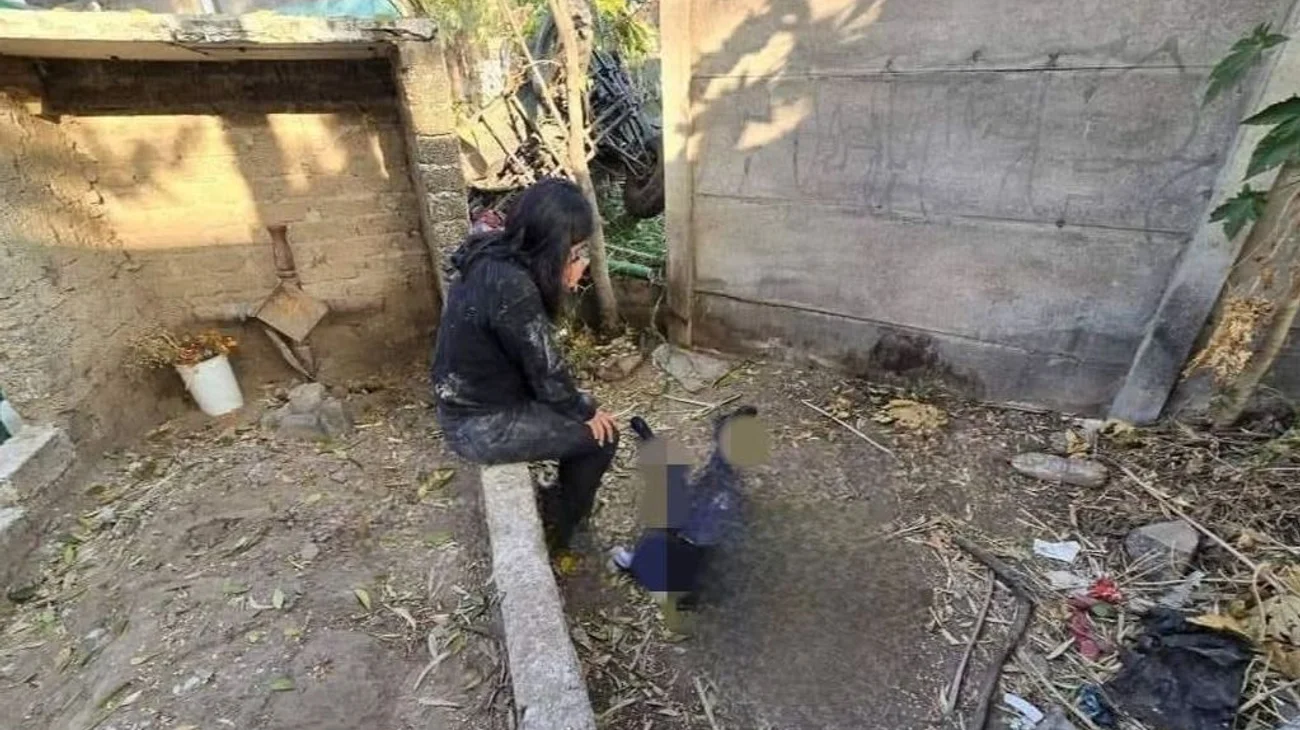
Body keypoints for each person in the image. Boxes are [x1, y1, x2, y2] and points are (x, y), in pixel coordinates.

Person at [431, 178, 620, 551]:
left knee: (588, 411)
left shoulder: (492, 251)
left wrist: (580, 405)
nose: (580, 262)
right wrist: (584, 409)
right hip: (478, 424)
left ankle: (558, 500)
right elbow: (548, 375)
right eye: (577, 252)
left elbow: (542, 367)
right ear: (554, 249)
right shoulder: (514, 287)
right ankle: (564, 529)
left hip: (470, 399)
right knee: (602, 437)